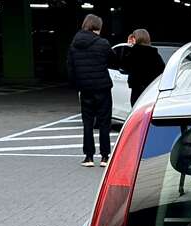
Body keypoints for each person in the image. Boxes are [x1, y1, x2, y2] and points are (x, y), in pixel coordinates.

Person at [67, 14, 117, 168]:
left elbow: (70, 69)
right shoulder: (103, 43)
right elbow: (114, 61)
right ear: (98, 27)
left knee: (87, 122)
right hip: (102, 88)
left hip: (85, 89)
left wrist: (78, 85)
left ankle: (88, 157)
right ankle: (105, 157)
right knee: (104, 123)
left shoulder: (74, 44)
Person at [118, 29, 166, 107]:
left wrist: (128, 46)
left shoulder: (132, 53)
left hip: (137, 90)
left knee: (136, 110)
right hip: (151, 89)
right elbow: (161, 70)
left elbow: (124, 66)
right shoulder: (154, 54)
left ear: (135, 39)